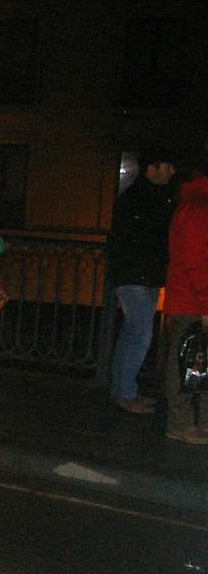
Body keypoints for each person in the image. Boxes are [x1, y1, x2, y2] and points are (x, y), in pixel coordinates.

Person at [106, 150, 177, 414]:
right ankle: (125, 391)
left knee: (135, 331)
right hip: (135, 274)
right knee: (140, 331)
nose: (172, 172)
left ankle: (124, 388)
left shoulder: (145, 197)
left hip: (141, 274)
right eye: (167, 165)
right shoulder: (140, 199)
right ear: (152, 168)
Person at [162, 153, 208, 445]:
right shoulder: (198, 208)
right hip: (191, 303)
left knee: (196, 365)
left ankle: (194, 422)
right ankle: (180, 424)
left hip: (191, 301)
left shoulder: (194, 204)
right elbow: (196, 262)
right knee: (185, 366)